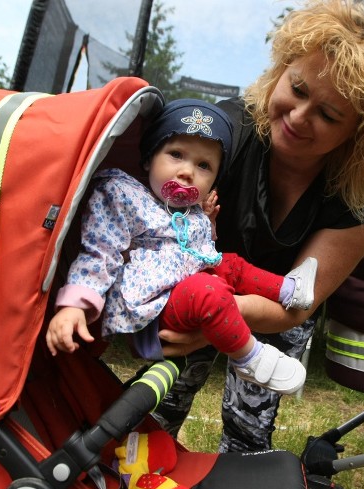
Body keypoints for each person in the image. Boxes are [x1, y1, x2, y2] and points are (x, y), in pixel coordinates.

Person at [153, 0, 364, 452]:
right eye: (298, 88)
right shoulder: (224, 133)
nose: (299, 117)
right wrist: (202, 311)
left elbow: (298, 306)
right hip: (199, 283)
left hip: (277, 306)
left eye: (329, 115)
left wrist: (227, 316)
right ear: (282, 69)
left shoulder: (358, 204)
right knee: (160, 399)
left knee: (248, 428)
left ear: (361, 133)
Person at [45, 98, 318, 395]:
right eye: (176, 154)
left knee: (231, 263)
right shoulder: (122, 195)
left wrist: (208, 226)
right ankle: (250, 359)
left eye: (204, 165)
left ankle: (290, 290)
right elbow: (101, 251)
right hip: (155, 307)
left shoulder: (190, 212)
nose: (188, 172)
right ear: (149, 157)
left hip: (186, 288)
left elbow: (192, 250)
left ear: (214, 180)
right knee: (209, 291)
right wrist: (74, 305)